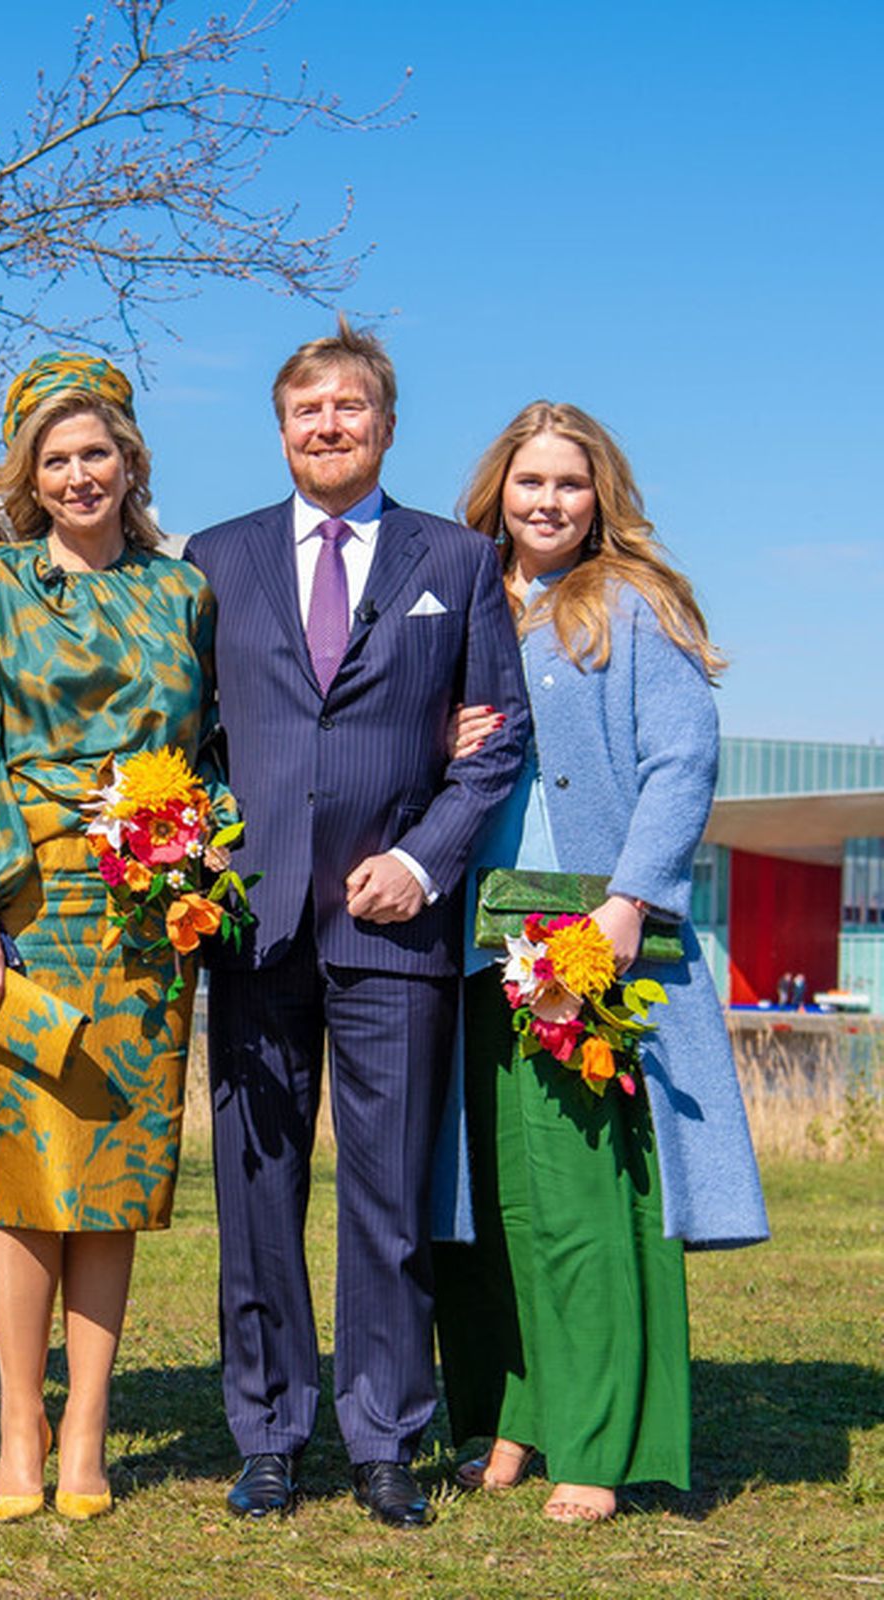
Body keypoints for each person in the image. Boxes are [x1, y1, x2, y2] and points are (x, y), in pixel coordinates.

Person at [183, 320, 529, 1527]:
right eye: (305, 411)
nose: (327, 426)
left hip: (395, 929)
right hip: (253, 924)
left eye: (349, 408)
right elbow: (185, 741)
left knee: (387, 1199)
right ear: (280, 429)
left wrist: (424, 861)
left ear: (385, 425)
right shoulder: (211, 559)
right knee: (256, 1193)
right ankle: (269, 1429)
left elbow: (497, 742)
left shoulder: (458, 560)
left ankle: (384, 1434)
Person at [431, 401, 769, 1523]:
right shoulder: (465, 601)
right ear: (497, 491)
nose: (547, 501)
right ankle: (521, 1407)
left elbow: (683, 761)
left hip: (585, 940)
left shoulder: (629, 605)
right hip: (477, 942)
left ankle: (600, 1435)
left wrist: (632, 901)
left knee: (583, 1199)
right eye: (528, 481)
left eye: (569, 483)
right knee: (498, 1207)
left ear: (599, 496)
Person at [0, 352, 223, 1522]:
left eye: (98, 452)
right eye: (56, 458)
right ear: (28, 475)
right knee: (29, 1172)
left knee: (117, 1177)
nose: (80, 473)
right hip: (27, 910)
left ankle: (88, 1427)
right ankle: (20, 1431)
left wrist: (194, 854)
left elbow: (212, 748)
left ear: (131, 459)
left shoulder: (180, 592)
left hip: (145, 915)